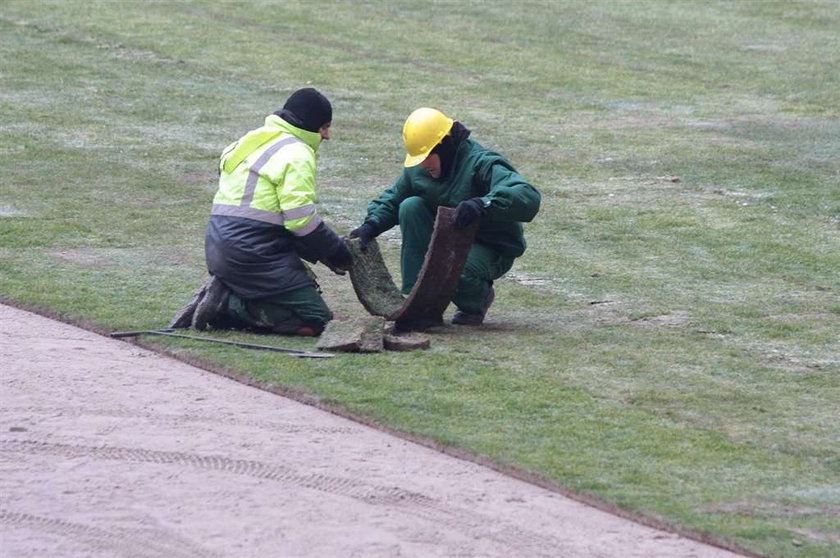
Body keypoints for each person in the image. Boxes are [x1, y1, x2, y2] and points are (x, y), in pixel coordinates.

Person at [170, 88, 352, 336]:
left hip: (218, 244)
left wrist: (322, 253)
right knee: (318, 320)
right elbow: (301, 223)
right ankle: (229, 305)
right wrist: (337, 251)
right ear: (308, 124)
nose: (327, 136)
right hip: (255, 252)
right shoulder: (297, 153)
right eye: (324, 127)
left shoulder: (250, 140)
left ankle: (227, 296)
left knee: (300, 299)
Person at [349, 107, 540, 327]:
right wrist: (371, 225)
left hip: (491, 246)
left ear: (445, 145)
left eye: (427, 156)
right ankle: (415, 304)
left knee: (454, 271)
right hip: (449, 238)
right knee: (410, 206)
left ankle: (477, 300)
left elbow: (527, 196)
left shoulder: (481, 162)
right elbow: (393, 199)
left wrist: (483, 204)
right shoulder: (420, 169)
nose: (423, 164)